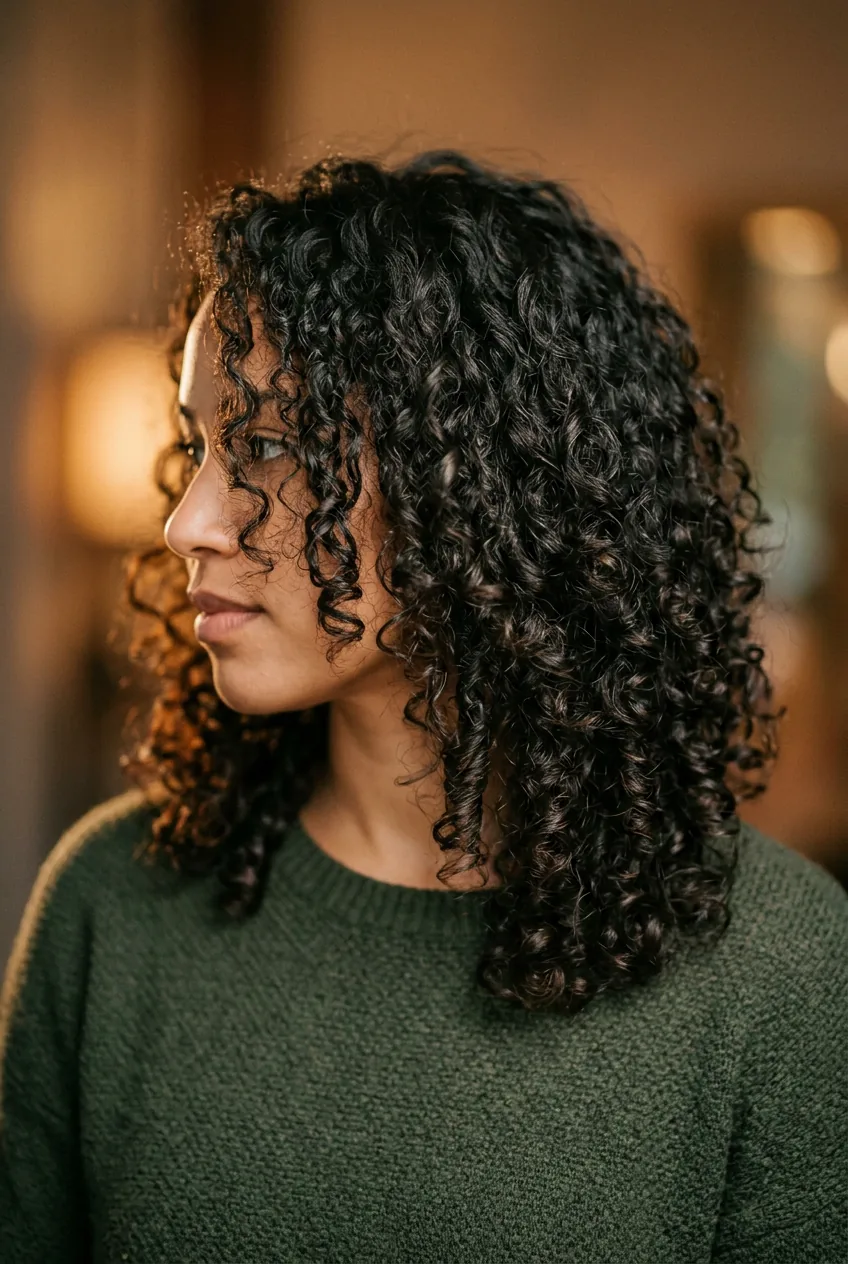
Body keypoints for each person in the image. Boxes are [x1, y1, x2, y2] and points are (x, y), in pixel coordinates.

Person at [1, 150, 846, 1263]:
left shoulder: (775, 967)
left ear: (473, 481)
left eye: (260, 447)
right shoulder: (109, 907)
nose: (189, 519)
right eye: (198, 444)